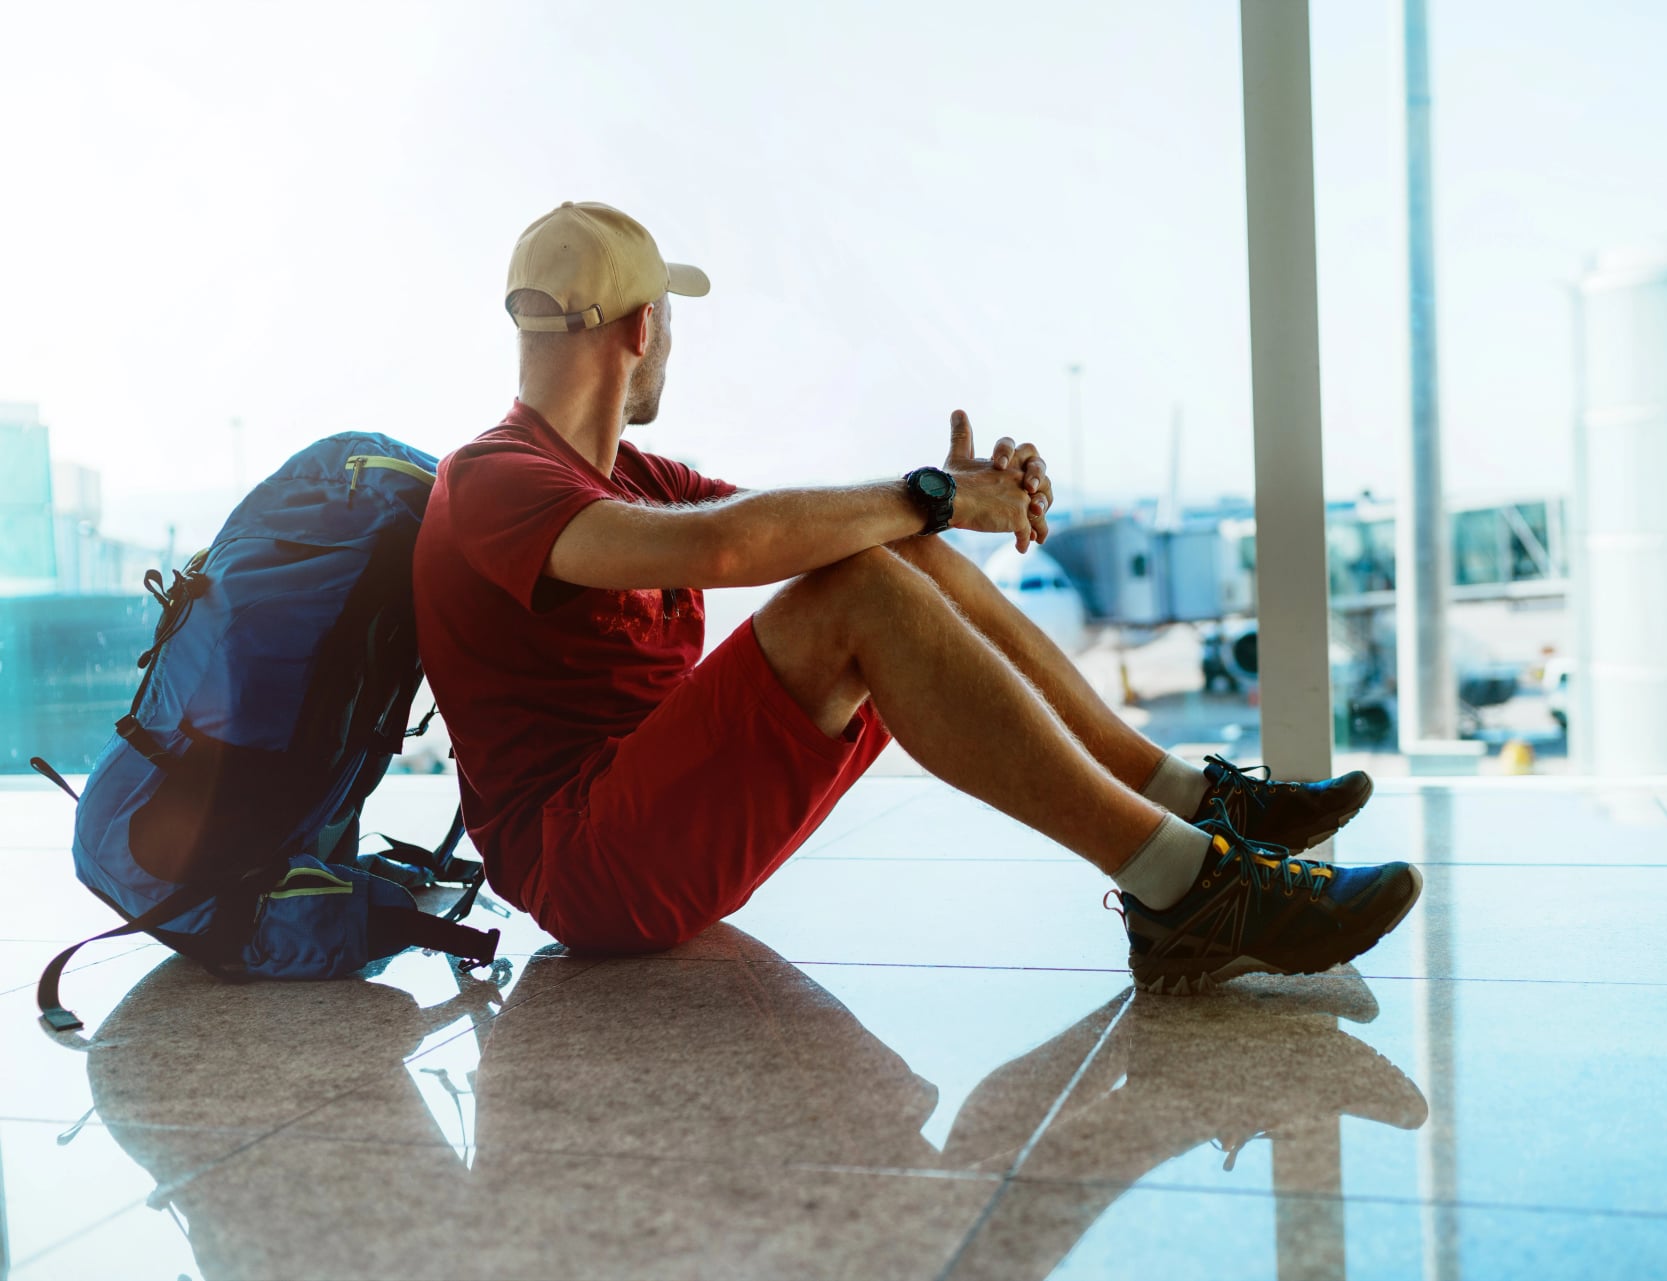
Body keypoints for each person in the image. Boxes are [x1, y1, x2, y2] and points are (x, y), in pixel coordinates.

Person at [412, 200, 1422, 994]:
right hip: (588, 865)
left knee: (895, 554)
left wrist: (948, 504)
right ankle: (1186, 891)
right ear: (645, 327)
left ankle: (1193, 804)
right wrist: (937, 497)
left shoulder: (629, 474)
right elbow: (728, 545)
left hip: (652, 824)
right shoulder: (494, 478)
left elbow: (810, 525)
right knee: (864, 579)